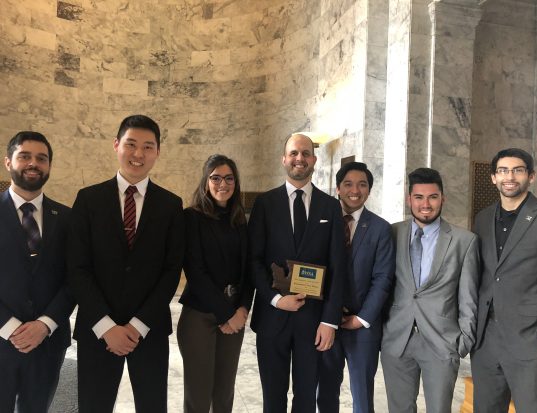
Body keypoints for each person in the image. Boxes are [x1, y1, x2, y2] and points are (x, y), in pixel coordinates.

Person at [67, 115, 185, 413]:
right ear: (116, 145)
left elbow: (172, 271)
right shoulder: (88, 199)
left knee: (152, 405)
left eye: (148, 147)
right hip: (98, 330)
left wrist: (137, 325)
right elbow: (78, 267)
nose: (138, 154)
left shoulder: (171, 205)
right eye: (131, 144)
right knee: (94, 405)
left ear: (157, 152)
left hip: (149, 329)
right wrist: (107, 327)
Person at [248, 132, 346, 412]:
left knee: (305, 400)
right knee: (273, 399)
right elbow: (253, 261)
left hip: (314, 322)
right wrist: (276, 299)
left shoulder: (330, 206)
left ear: (314, 159)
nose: (299, 159)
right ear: (284, 159)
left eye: (305, 153)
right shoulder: (265, 204)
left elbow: (338, 266)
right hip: (272, 318)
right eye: (293, 153)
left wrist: (330, 321)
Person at [381, 167, 479, 413]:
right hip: (397, 339)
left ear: (443, 198)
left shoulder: (464, 241)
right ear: (409, 199)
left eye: (433, 197)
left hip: (442, 341)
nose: (426, 204)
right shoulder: (391, 233)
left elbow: (468, 295)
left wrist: (463, 339)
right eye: (419, 197)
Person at [471, 148, 537, 412]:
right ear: (493, 177)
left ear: (531, 176)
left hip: (530, 339)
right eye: (503, 170)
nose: (510, 177)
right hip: (486, 340)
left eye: (518, 170)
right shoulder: (482, 218)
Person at [0, 131, 74, 412]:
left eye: (41, 158)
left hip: (48, 342)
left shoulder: (67, 218)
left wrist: (45, 324)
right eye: (25, 156)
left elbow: (75, 278)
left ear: (49, 166)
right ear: (8, 162)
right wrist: (11, 328)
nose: (34, 163)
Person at [177, 154, 254, 413]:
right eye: (216, 178)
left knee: (224, 395)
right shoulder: (191, 218)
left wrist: (243, 308)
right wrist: (226, 314)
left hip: (235, 314)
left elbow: (249, 270)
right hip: (201, 314)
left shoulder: (240, 220)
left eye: (229, 178)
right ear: (205, 181)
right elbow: (195, 272)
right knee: (198, 398)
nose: (223, 183)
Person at [317, 161, 395, 413]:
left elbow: (383, 278)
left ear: (369, 190)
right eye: (348, 184)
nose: (355, 190)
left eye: (362, 184)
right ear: (338, 188)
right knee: (326, 390)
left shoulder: (381, 228)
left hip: (362, 328)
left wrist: (361, 319)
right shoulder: (322, 222)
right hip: (326, 321)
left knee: (362, 396)